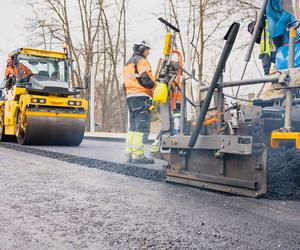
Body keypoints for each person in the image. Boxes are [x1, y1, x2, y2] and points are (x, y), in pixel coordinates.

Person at [123, 40, 157, 164]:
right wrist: (156, 88)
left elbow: (124, 84)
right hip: (142, 96)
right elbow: (145, 78)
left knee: (133, 126)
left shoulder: (127, 64)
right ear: (142, 49)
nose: (148, 53)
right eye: (148, 50)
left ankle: (129, 153)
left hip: (130, 97)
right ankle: (138, 155)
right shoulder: (141, 61)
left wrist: (129, 95)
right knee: (141, 126)